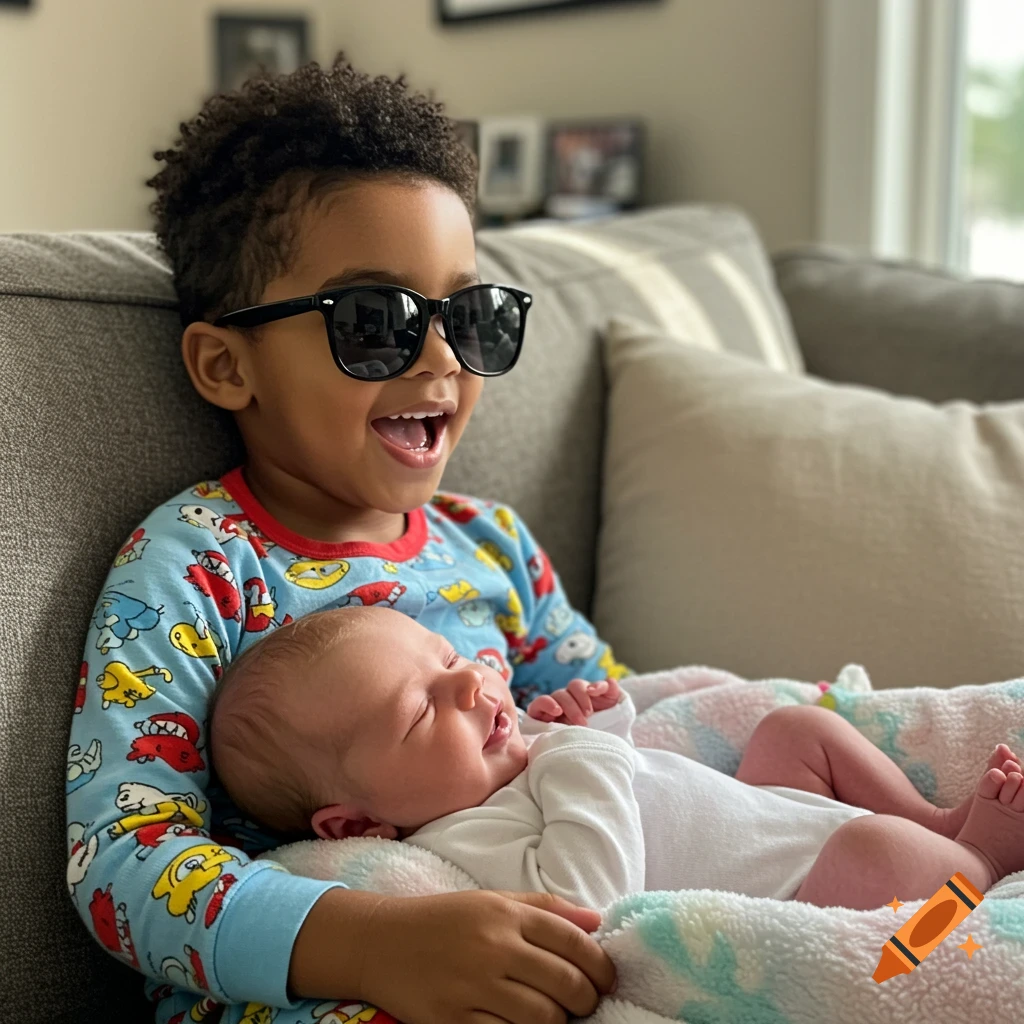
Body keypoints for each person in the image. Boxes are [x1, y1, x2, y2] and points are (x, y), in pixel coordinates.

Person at [65, 55, 622, 1024]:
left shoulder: (493, 545)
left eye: (468, 316)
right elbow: (123, 856)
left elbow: (622, 728)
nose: (442, 356)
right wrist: (370, 944)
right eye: (375, 321)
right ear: (226, 365)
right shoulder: (194, 566)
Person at [211, 606, 1024, 915]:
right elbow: (592, 896)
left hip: (777, 817)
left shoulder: (513, 752)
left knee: (793, 731)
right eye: (422, 710)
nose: (469, 683)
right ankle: (983, 862)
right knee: (869, 853)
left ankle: (936, 824)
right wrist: (582, 752)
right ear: (355, 824)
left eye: (449, 659)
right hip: (801, 888)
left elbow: (633, 778)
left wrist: (604, 721)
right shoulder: (462, 843)